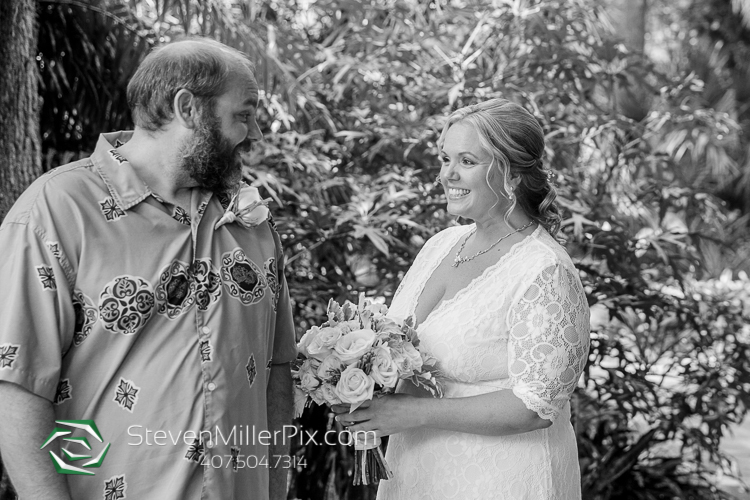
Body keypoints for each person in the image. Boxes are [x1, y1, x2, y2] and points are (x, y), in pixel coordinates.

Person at [0, 38, 296, 500]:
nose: (255, 133)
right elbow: (16, 385)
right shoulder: (57, 210)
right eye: (243, 114)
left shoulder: (252, 223)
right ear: (187, 108)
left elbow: (277, 371)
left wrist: (276, 490)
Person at [334, 99, 591, 499]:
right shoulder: (440, 245)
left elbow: (536, 407)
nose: (447, 174)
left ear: (512, 173)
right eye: (445, 158)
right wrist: (354, 379)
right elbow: (402, 350)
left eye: (467, 161)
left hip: (500, 479)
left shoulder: (544, 269)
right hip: (415, 472)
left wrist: (411, 412)